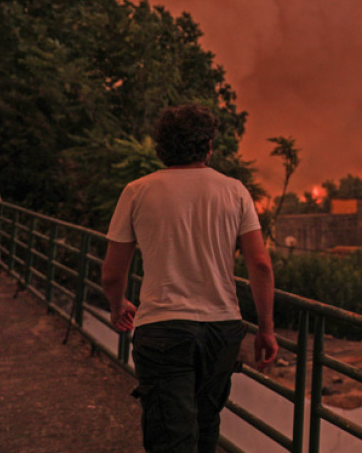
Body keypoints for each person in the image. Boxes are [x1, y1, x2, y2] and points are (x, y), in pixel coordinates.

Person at [101, 104, 278, 453]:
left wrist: (117, 303)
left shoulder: (137, 191)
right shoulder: (235, 191)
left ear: (161, 147)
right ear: (209, 146)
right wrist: (267, 329)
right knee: (206, 425)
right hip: (222, 329)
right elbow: (260, 265)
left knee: (170, 435)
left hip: (163, 329)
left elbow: (111, 272)